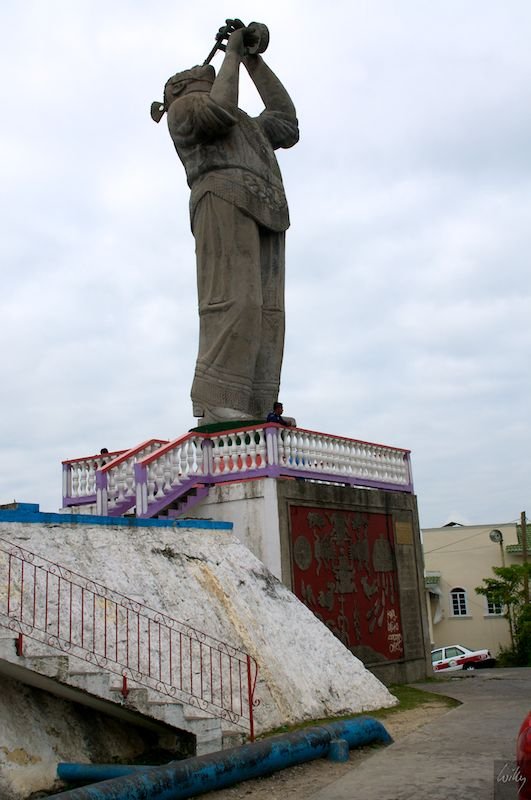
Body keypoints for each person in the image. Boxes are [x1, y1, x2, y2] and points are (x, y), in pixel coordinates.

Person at [155, 21, 299, 424]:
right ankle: (216, 398)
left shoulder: (244, 124)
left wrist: (253, 62)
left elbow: (286, 123)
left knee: (267, 311)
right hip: (221, 197)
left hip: (264, 207)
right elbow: (217, 111)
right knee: (235, 300)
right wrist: (231, 55)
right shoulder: (184, 109)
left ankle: (255, 402)